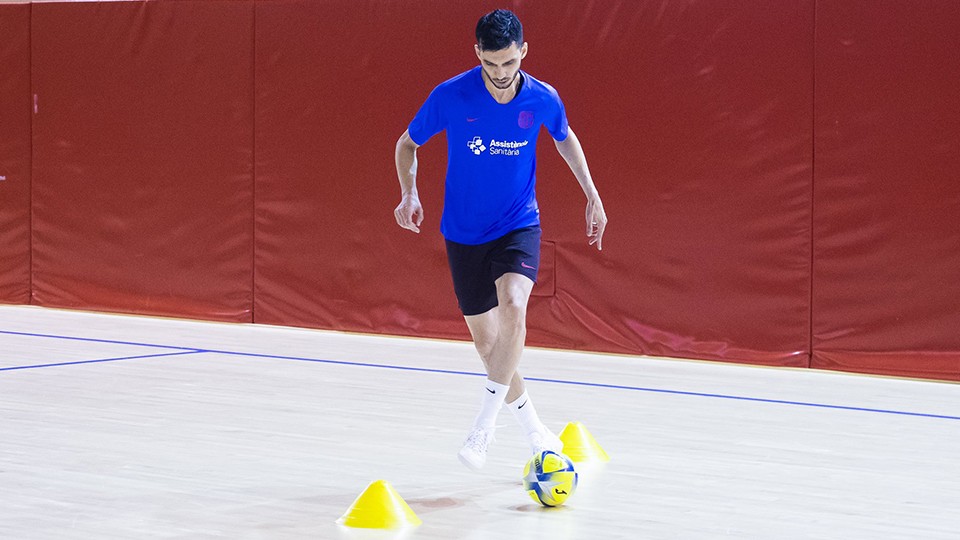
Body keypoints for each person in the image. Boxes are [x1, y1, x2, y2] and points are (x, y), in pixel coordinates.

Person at [393, 9, 607, 471]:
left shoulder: (543, 99)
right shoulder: (451, 96)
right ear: (478, 55)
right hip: (463, 233)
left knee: (514, 304)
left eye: (508, 64)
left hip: (518, 223)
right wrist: (408, 192)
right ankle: (535, 432)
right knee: (489, 347)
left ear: (523, 53)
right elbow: (406, 144)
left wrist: (592, 194)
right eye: (491, 66)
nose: (500, 76)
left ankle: (484, 426)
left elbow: (564, 138)